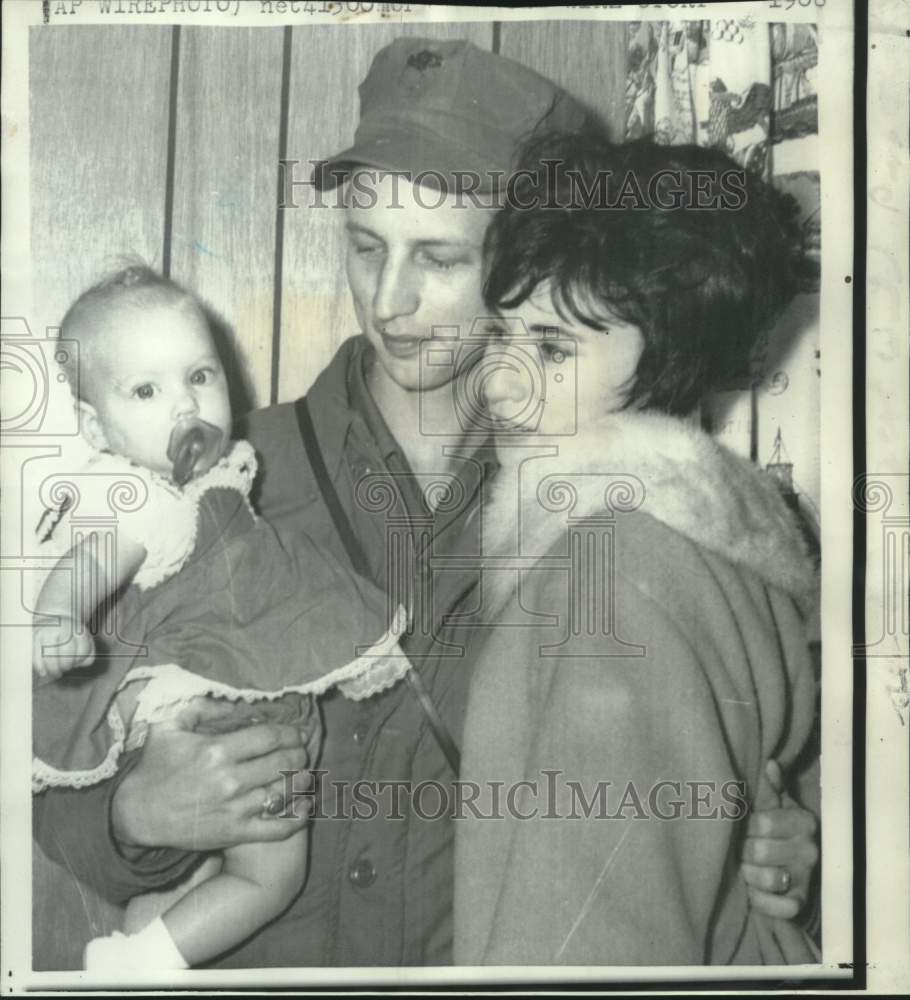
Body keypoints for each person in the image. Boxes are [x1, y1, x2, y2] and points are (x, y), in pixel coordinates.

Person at [33, 37, 819, 969]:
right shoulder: (221, 482)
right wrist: (133, 814)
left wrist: (765, 838)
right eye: (368, 247)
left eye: (440, 259)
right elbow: (58, 762)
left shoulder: (596, 510)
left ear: (526, 264)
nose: (390, 300)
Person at [454, 131, 821, 964]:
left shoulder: (609, 574)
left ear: (673, 362)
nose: (500, 383)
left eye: (551, 349)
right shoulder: (713, 528)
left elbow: (588, 948)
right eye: (503, 336)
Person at [31, 265, 408, 970]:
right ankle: (148, 962)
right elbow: (93, 561)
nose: (185, 407)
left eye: (199, 376)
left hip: (202, 695)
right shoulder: (152, 502)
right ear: (94, 424)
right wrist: (60, 615)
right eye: (146, 390)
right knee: (269, 877)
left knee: (200, 871)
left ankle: (139, 951)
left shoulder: (206, 479)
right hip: (229, 702)